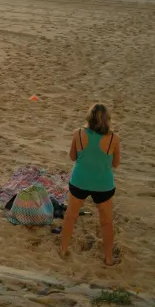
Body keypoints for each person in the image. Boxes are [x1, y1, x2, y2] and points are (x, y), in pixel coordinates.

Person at [60, 103, 121, 266]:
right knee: (106, 222)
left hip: (80, 181)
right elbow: (116, 163)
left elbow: (73, 157)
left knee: (70, 216)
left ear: (89, 117)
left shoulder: (78, 133)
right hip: (103, 184)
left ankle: (63, 249)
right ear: (107, 119)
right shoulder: (114, 138)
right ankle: (108, 258)